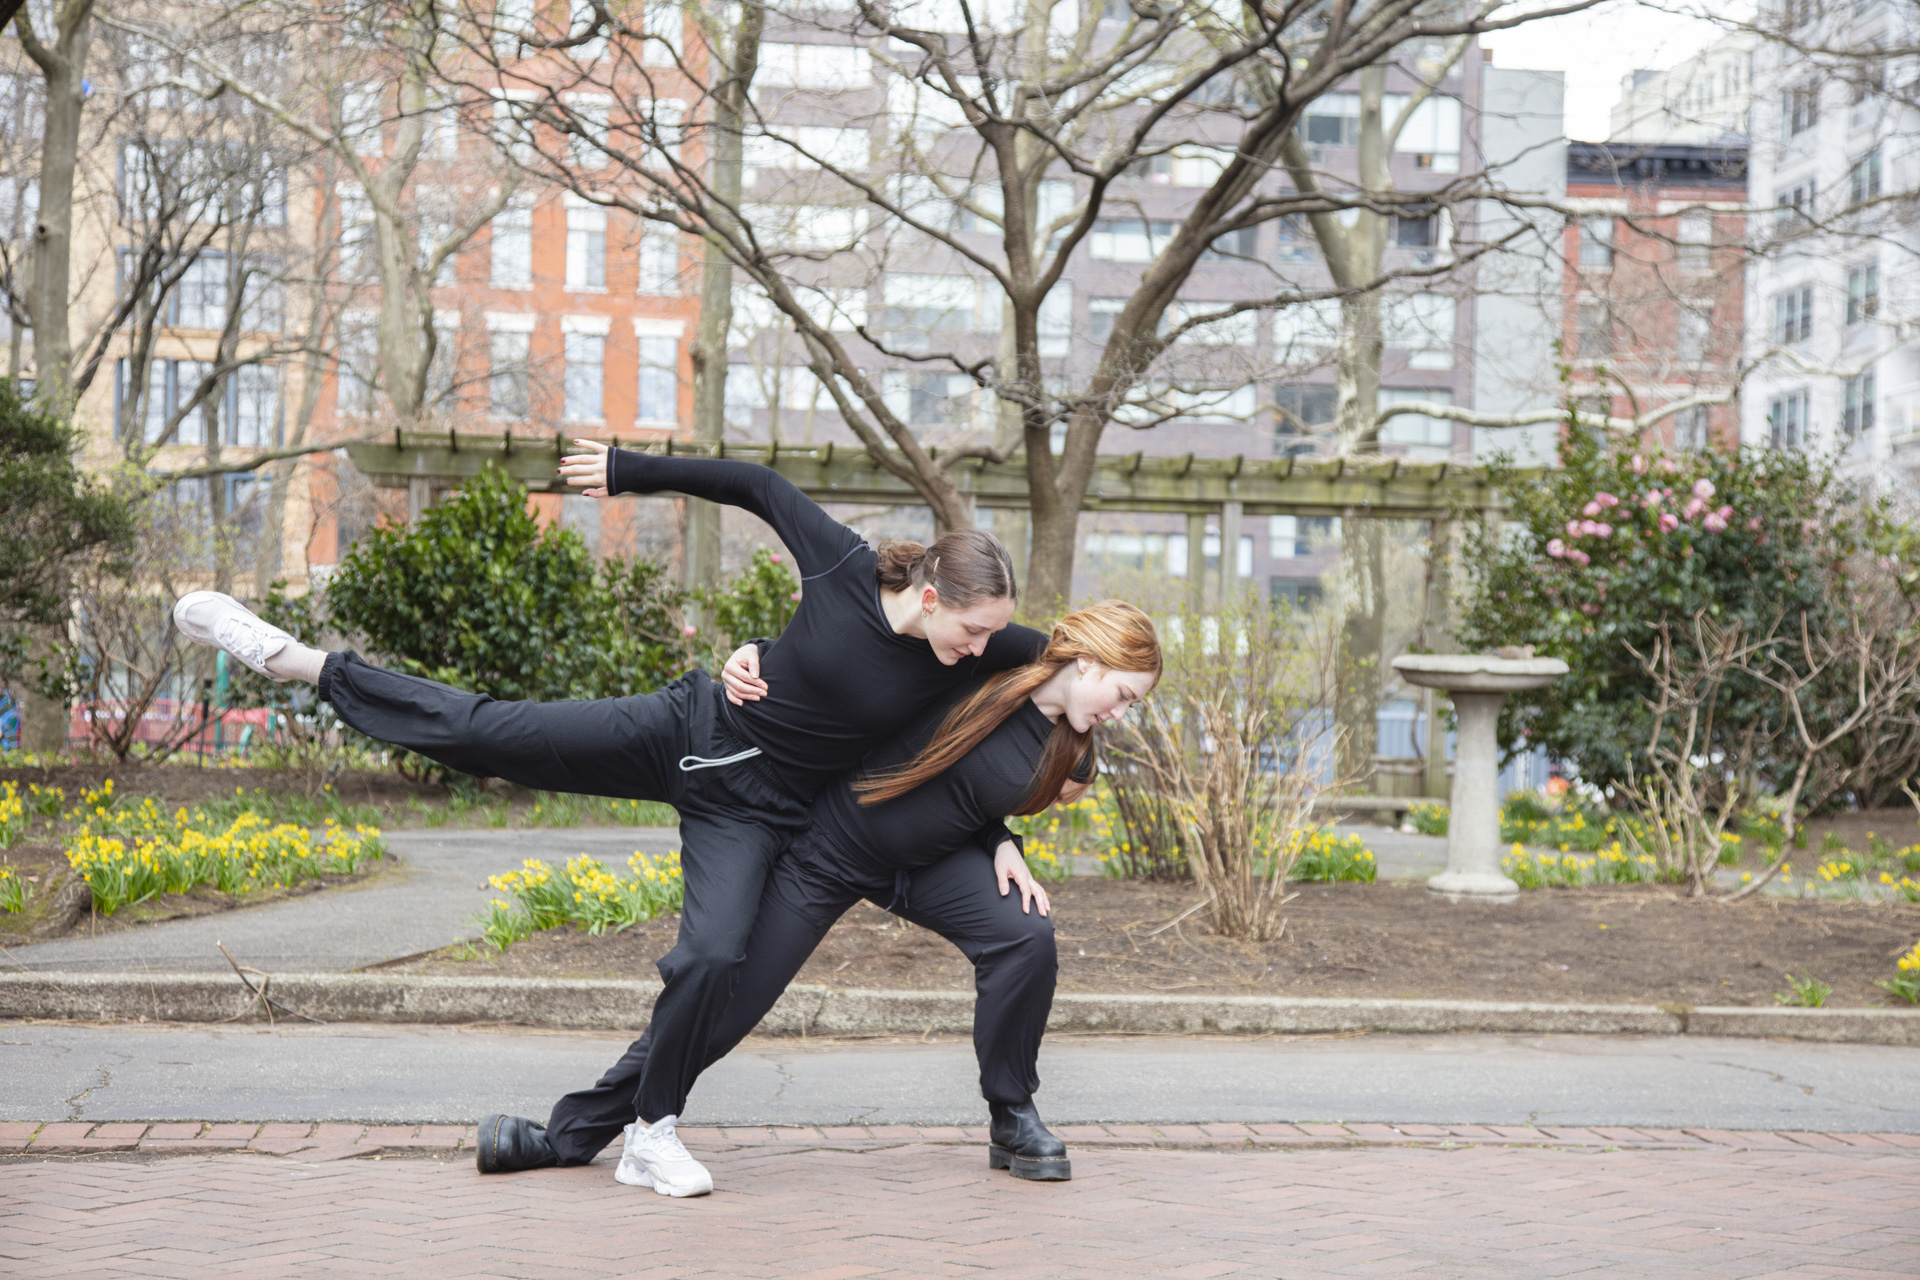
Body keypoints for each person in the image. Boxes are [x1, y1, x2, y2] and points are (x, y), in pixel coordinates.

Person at [171, 441, 1046, 1169]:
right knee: (497, 731)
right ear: (930, 597)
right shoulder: (844, 564)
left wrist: (1003, 828)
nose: (979, 648)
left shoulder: (971, 650)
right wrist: (629, 469)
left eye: (988, 636)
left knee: (710, 961)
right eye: (971, 630)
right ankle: (301, 661)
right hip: (687, 726)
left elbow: (1056, 669)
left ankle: (624, 1131)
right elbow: (754, 485)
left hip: (751, 811)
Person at [485, 601, 1162, 1196]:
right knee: (723, 1009)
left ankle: (1012, 1115)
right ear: (1088, 659)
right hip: (827, 852)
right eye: (1125, 694)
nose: (1121, 714)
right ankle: (567, 1136)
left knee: (1024, 934)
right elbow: (865, 646)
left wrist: (1002, 841)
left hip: (929, 866)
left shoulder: (1071, 755)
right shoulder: (987, 658)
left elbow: (970, 789)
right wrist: (760, 651)